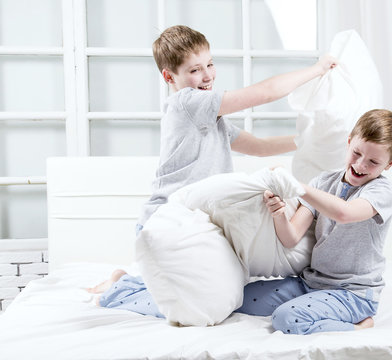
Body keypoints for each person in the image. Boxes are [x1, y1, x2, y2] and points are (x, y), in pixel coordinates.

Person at [87, 24, 337, 316]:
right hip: (167, 220)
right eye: (194, 70)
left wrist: (311, 141)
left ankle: (129, 279)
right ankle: (121, 287)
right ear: (170, 76)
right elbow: (267, 92)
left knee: (210, 290)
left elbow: (257, 147)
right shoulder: (186, 103)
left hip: (195, 221)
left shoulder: (209, 117)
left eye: (210, 64)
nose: (207, 76)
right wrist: (317, 69)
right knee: (193, 303)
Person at [235, 109, 392, 334]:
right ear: (348, 143)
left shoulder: (381, 191)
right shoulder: (323, 182)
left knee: (286, 318)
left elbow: (344, 213)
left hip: (352, 293)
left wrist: (298, 187)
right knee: (239, 297)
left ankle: (359, 326)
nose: (361, 165)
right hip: (311, 284)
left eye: (373, 161)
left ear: (389, 164)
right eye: (357, 153)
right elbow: (291, 237)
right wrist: (278, 213)